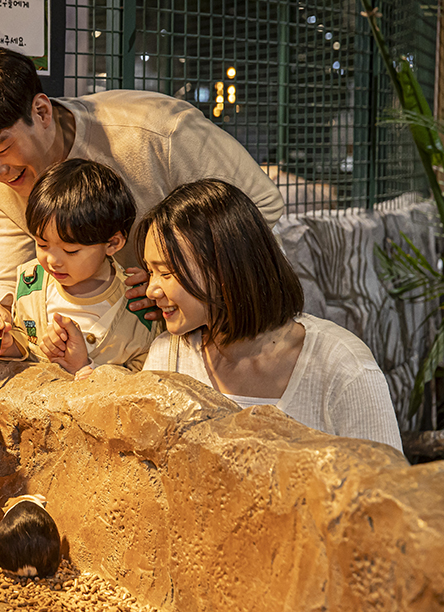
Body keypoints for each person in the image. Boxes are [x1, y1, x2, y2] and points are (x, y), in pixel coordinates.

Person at [0, 46, 284, 356]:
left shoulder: (155, 131)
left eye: (2, 148)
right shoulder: (0, 175)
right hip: (127, 339)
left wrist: (171, 278)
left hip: (230, 322)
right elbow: (10, 272)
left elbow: (261, 208)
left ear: (41, 112)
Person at [135, 178, 403, 452]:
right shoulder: (168, 358)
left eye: (166, 273)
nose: (152, 289)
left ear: (224, 268)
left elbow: (386, 485)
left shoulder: (342, 367)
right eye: (150, 271)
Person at [0, 159, 157, 379]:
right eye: (42, 244)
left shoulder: (138, 305)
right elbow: (23, 336)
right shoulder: (32, 282)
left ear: (113, 244)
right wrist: (8, 345)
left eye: (71, 250)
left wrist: (86, 368)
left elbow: (145, 382)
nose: (53, 261)